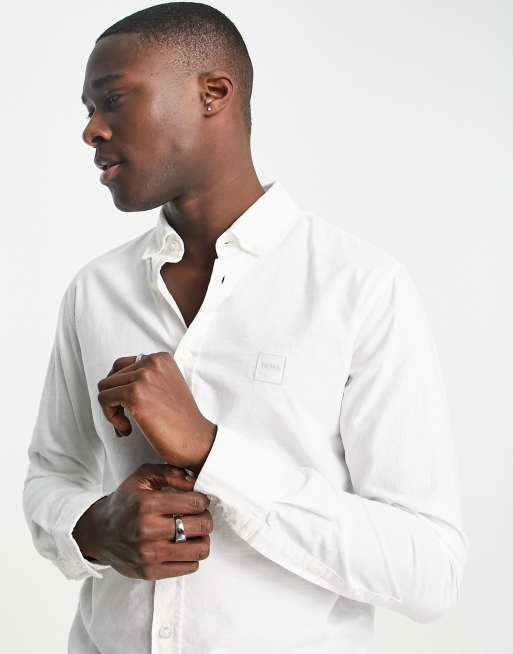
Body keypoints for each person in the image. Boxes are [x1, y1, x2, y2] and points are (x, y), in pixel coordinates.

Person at [22, 2, 469, 653]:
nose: (91, 130)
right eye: (88, 109)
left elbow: (429, 572)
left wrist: (211, 451)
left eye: (112, 99)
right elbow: (50, 477)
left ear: (213, 93)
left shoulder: (360, 287)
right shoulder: (95, 291)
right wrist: (94, 527)